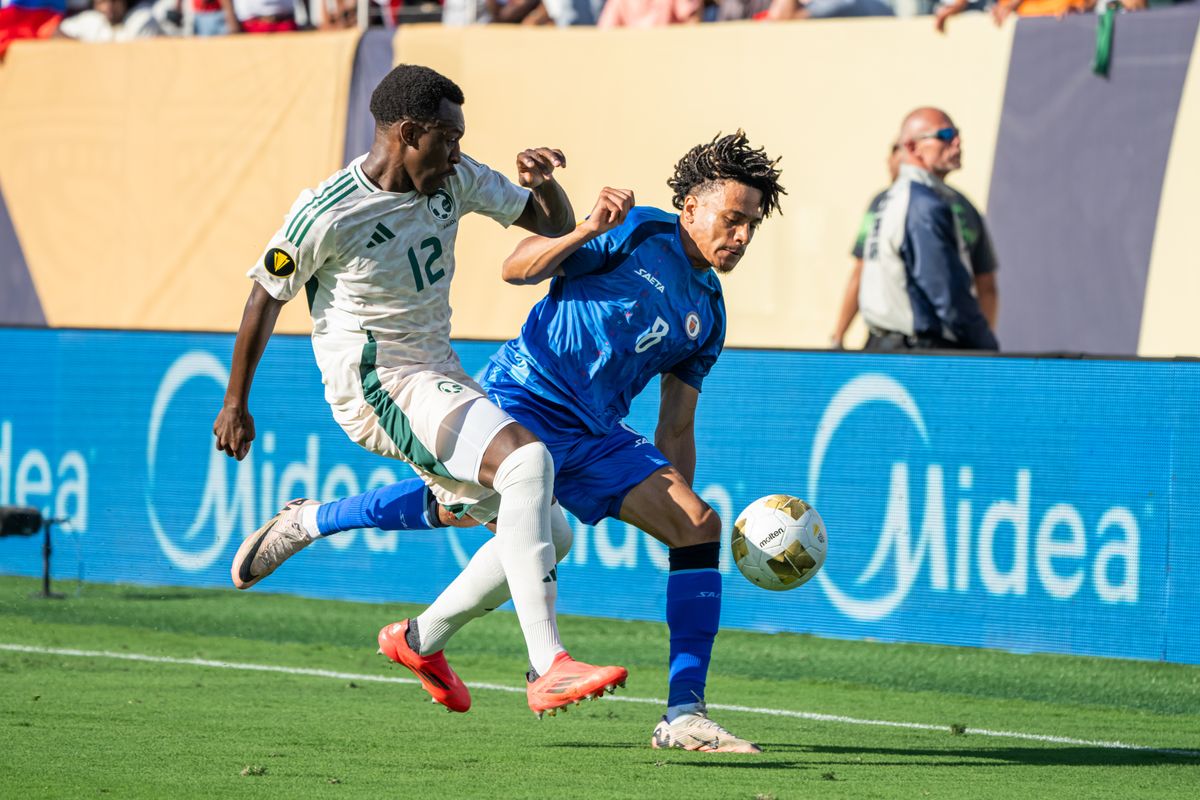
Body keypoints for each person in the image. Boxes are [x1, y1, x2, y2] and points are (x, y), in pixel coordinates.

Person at [234, 131, 785, 753]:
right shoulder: (636, 232)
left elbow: (676, 425)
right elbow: (516, 266)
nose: (741, 236)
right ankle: (313, 522)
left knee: (697, 525)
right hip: (525, 394)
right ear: (690, 207)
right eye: (732, 219)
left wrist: (674, 502)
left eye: (751, 226)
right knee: (465, 508)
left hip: (598, 432)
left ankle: (684, 713)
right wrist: (584, 229)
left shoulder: (709, 312)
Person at [213, 64, 627, 719]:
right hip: (375, 383)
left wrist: (544, 186)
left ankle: (419, 638)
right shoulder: (327, 210)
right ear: (408, 133)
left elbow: (552, 226)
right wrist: (236, 402)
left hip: (437, 372)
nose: (458, 152)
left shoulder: (454, 180)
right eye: (448, 137)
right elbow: (266, 294)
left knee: (552, 530)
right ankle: (548, 665)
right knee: (526, 461)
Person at [832, 131, 999, 348]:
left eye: (897, 149)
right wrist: (982, 347)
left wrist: (838, 335)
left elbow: (861, 270)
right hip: (951, 343)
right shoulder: (965, 205)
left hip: (908, 344)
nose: (891, 159)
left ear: (911, 151)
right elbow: (987, 287)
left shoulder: (887, 203)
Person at [56, 0, 163, 40]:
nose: (108, 7)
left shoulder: (142, 18)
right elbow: (56, 33)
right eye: (102, 2)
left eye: (114, 1)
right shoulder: (90, 20)